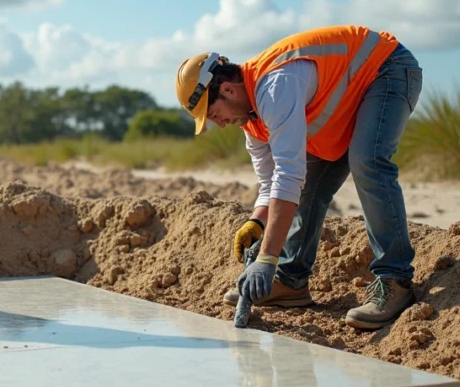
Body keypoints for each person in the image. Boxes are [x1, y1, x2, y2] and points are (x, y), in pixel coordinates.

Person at [174, 25, 424, 330]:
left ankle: (395, 280)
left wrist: (267, 258)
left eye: (214, 115)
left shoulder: (275, 87)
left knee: (367, 160)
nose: (221, 124)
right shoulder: (251, 122)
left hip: (386, 69)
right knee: (307, 185)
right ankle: (291, 283)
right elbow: (271, 185)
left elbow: (287, 175)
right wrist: (258, 222)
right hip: (346, 98)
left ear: (227, 89)